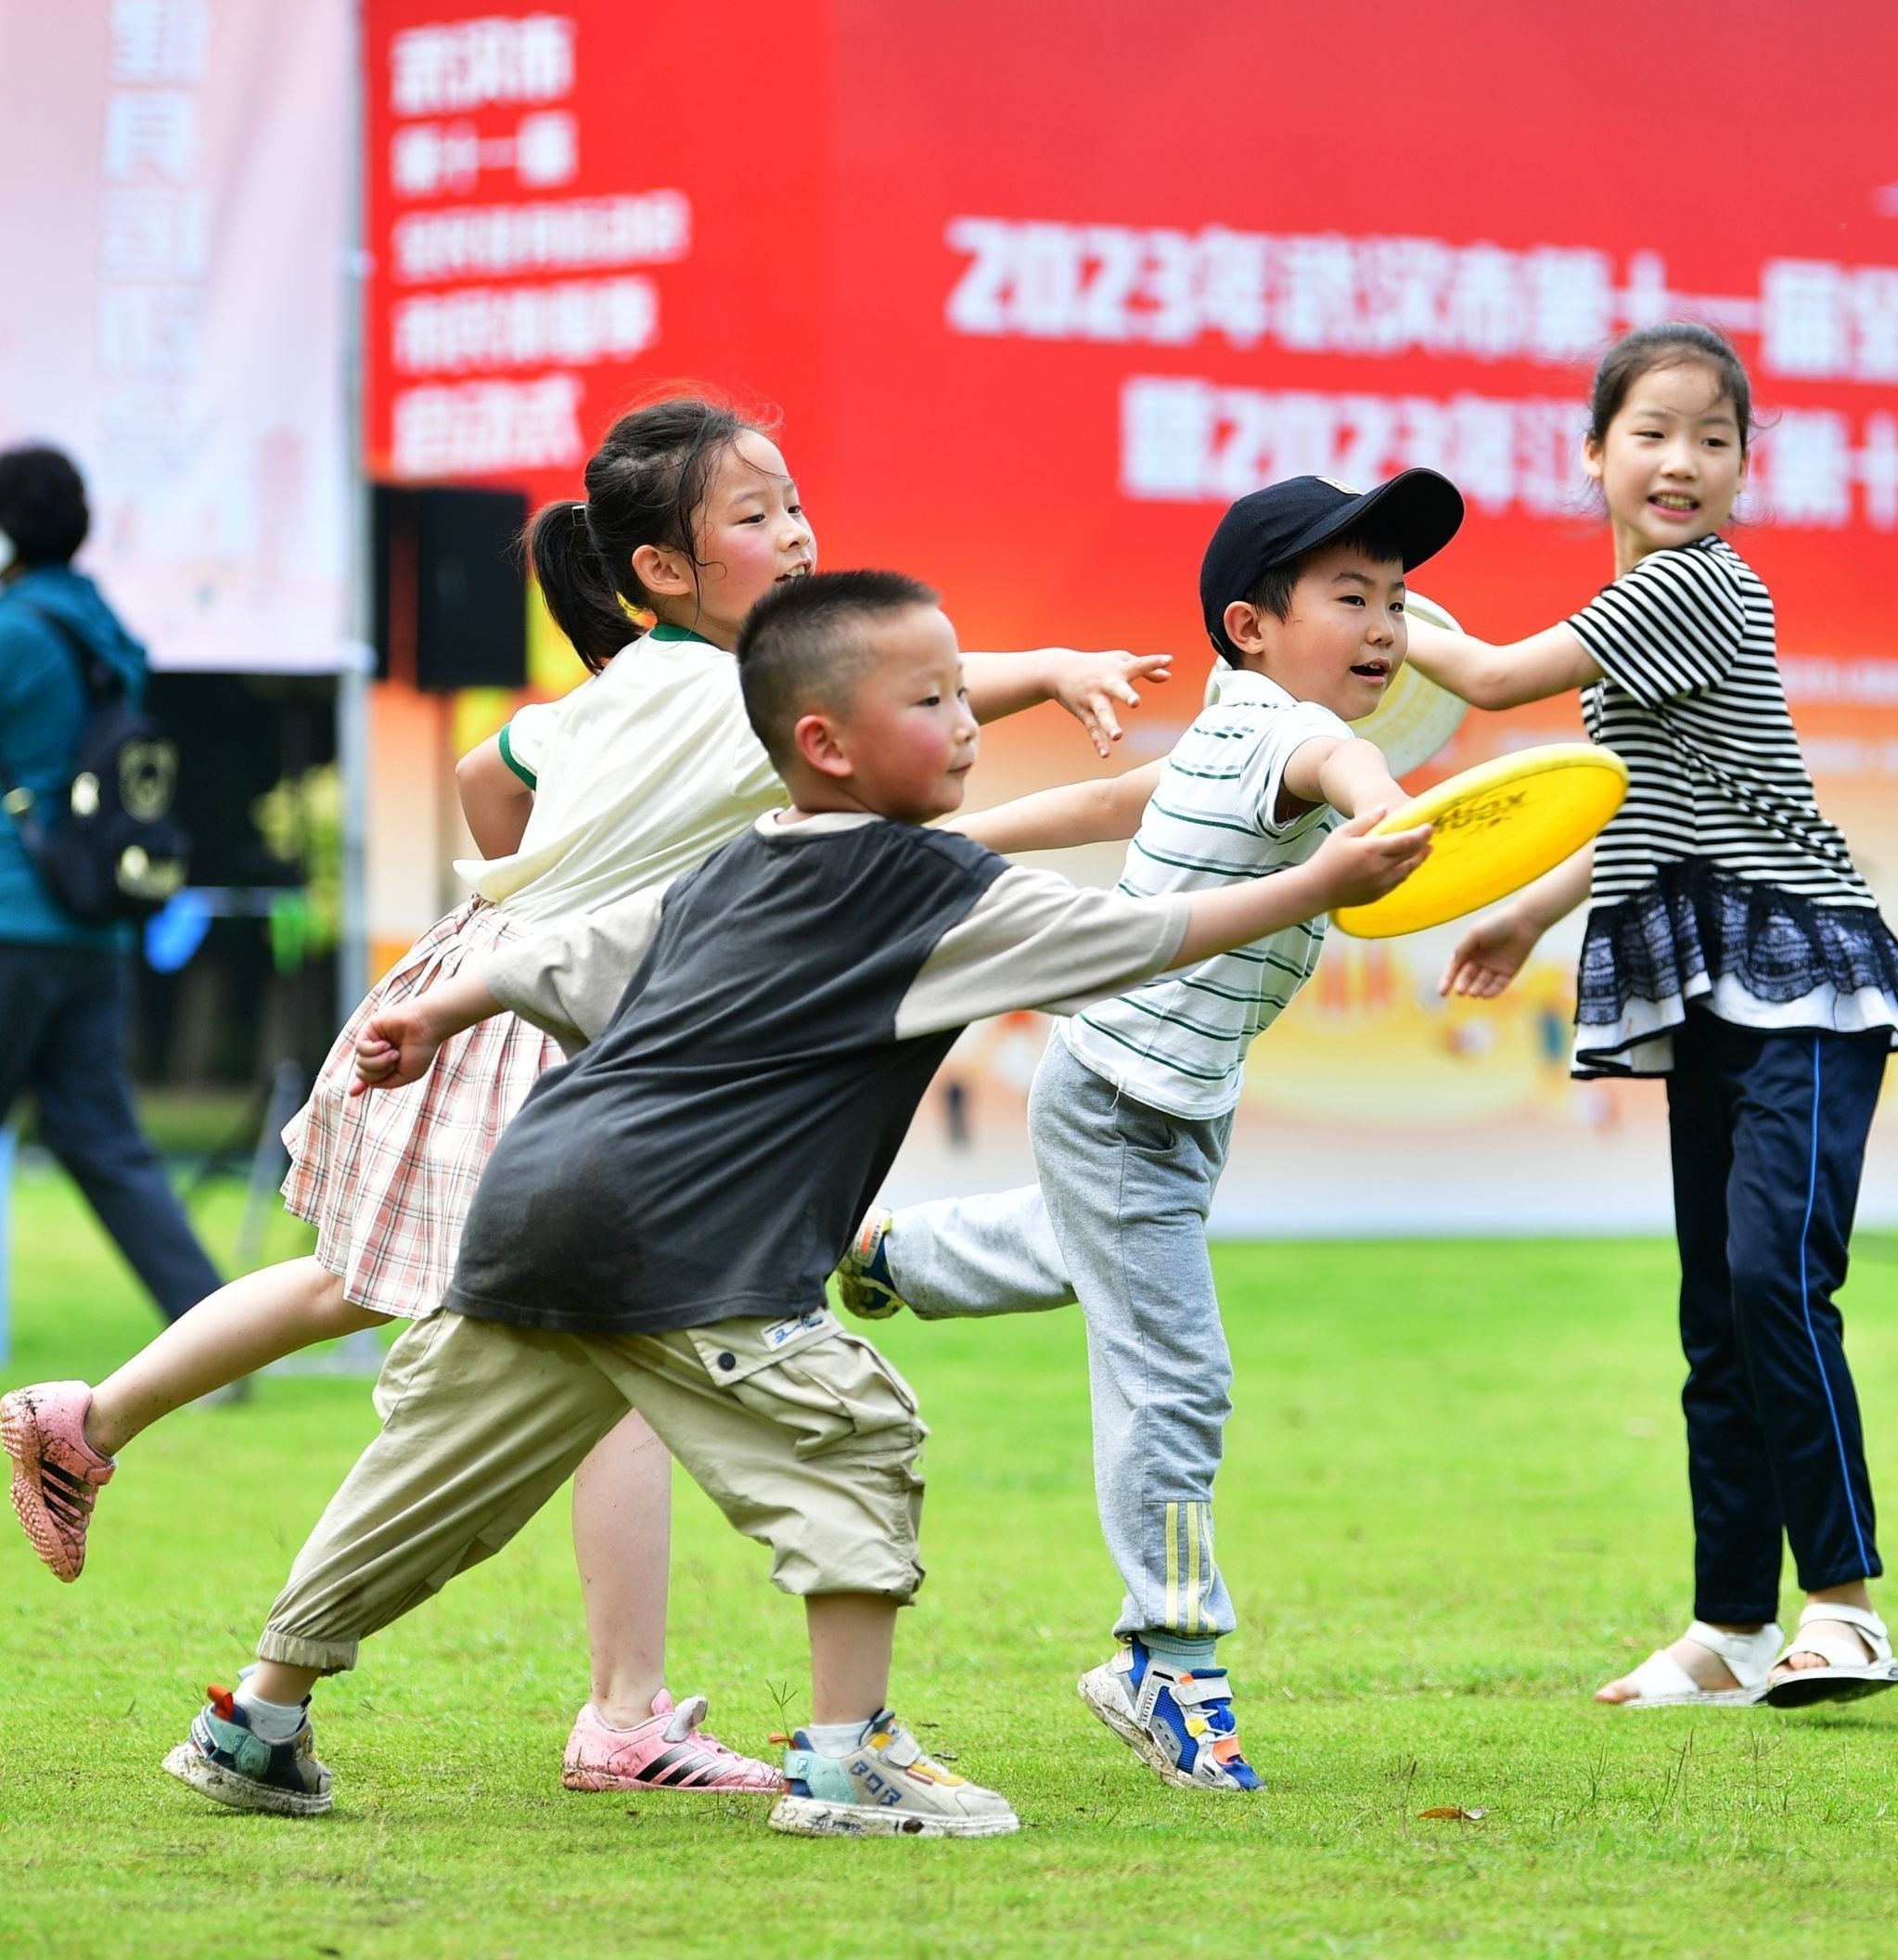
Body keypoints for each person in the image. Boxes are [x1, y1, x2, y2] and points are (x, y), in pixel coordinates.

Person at [4, 398, 1164, 1798]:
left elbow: (492, 778)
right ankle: (610, 1716)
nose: (795, 530)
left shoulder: (636, 687)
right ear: (665, 570)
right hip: (544, 1034)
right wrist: (1057, 673)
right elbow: (906, 699)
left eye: (794, 502)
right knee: (576, 1338)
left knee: (393, 1300)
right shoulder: (726, 695)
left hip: (498, 996)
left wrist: (544, 889)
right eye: (756, 515)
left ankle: (114, 1448)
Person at [159, 569, 1430, 1838]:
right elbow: (1139, 937)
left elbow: (574, 952)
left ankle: (255, 1720)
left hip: (536, 1205)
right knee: (859, 1435)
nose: (968, 720)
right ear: (823, 742)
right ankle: (847, 1759)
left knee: (427, 1483)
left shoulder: (737, 864)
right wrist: (1318, 888)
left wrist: (437, 1008)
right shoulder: (930, 892)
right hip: (687, 1241)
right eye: (932, 699)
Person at [832, 470, 1464, 1790]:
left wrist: (944, 849)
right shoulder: (1282, 737)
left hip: (1155, 1101)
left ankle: (889, 1254)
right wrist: (1376, 801)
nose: (1387, 626)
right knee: (1174, 1372)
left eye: (1397, 601)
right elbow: (1336, 760)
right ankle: (1166, 1655)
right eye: (1350, 596)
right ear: (1250, 625)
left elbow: (1114, 806)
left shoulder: (1229, 737)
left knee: (1093, 1258)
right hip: (1125, 1102)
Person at [1404, 324, 1898, 1709]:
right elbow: (1640, 798)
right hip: (1711, 982)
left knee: (1774, 1284)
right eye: (1650, 432)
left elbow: (1497, 681)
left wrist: (1364, 606)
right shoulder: (1641, 605)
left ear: (1746, 468)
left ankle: (1848, 1609)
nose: (1681, 460)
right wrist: (1528, 913)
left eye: (1712, 436)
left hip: (1806, 980)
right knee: (1717, 1312)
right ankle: (1732, 1629)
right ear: (1595, 457)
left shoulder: (1700, 585)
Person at [0, 444, 223, 1327]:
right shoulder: (99, 625)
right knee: (107, 1144)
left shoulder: (17, 630)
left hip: (12, 915)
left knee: (104, 1140)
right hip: (90, 929)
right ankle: (214, 1333)